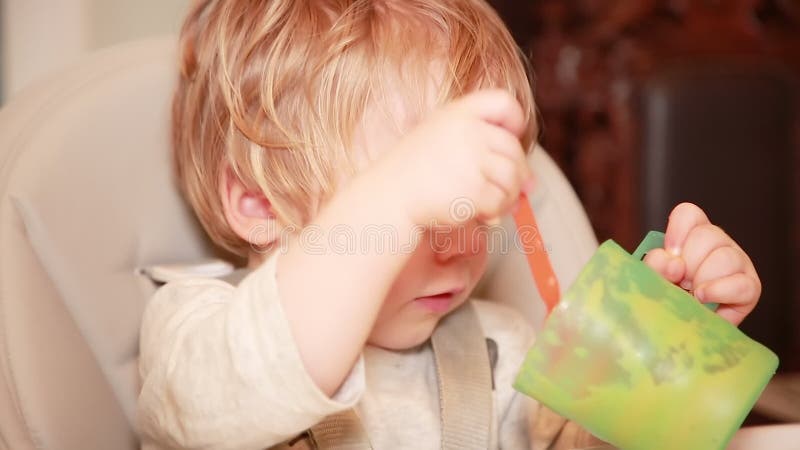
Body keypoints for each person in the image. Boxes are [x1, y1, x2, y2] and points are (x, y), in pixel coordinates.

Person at [136, 1, 762, 449]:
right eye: (422, 213)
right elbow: (238, 396)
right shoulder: (195, 332)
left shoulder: (497, 347)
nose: (464, 244)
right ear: (259, 204)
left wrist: (665, 345)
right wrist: (398, 195)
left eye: (475, 209)